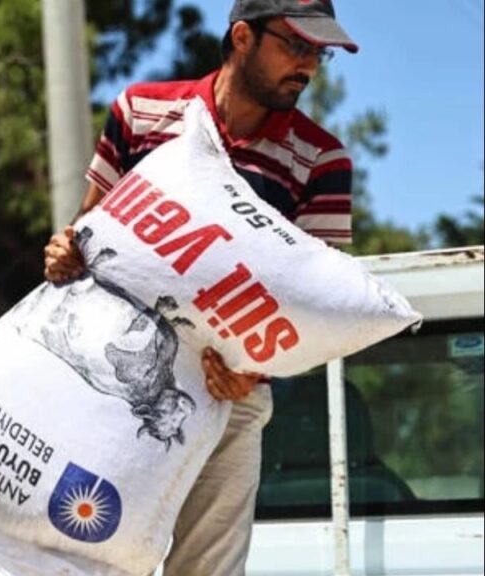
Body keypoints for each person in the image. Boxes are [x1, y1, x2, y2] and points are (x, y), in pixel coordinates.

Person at [42, 0, 358, 574]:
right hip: (111, 380)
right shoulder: (141, 113)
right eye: (297, 46)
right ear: (242, 36)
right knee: (80, 553)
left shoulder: (322, 161)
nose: (310, 66)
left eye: (321, 53)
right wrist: (65, 252)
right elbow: (88, 233)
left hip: (229, 399)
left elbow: (321, 305)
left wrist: (252, 373)